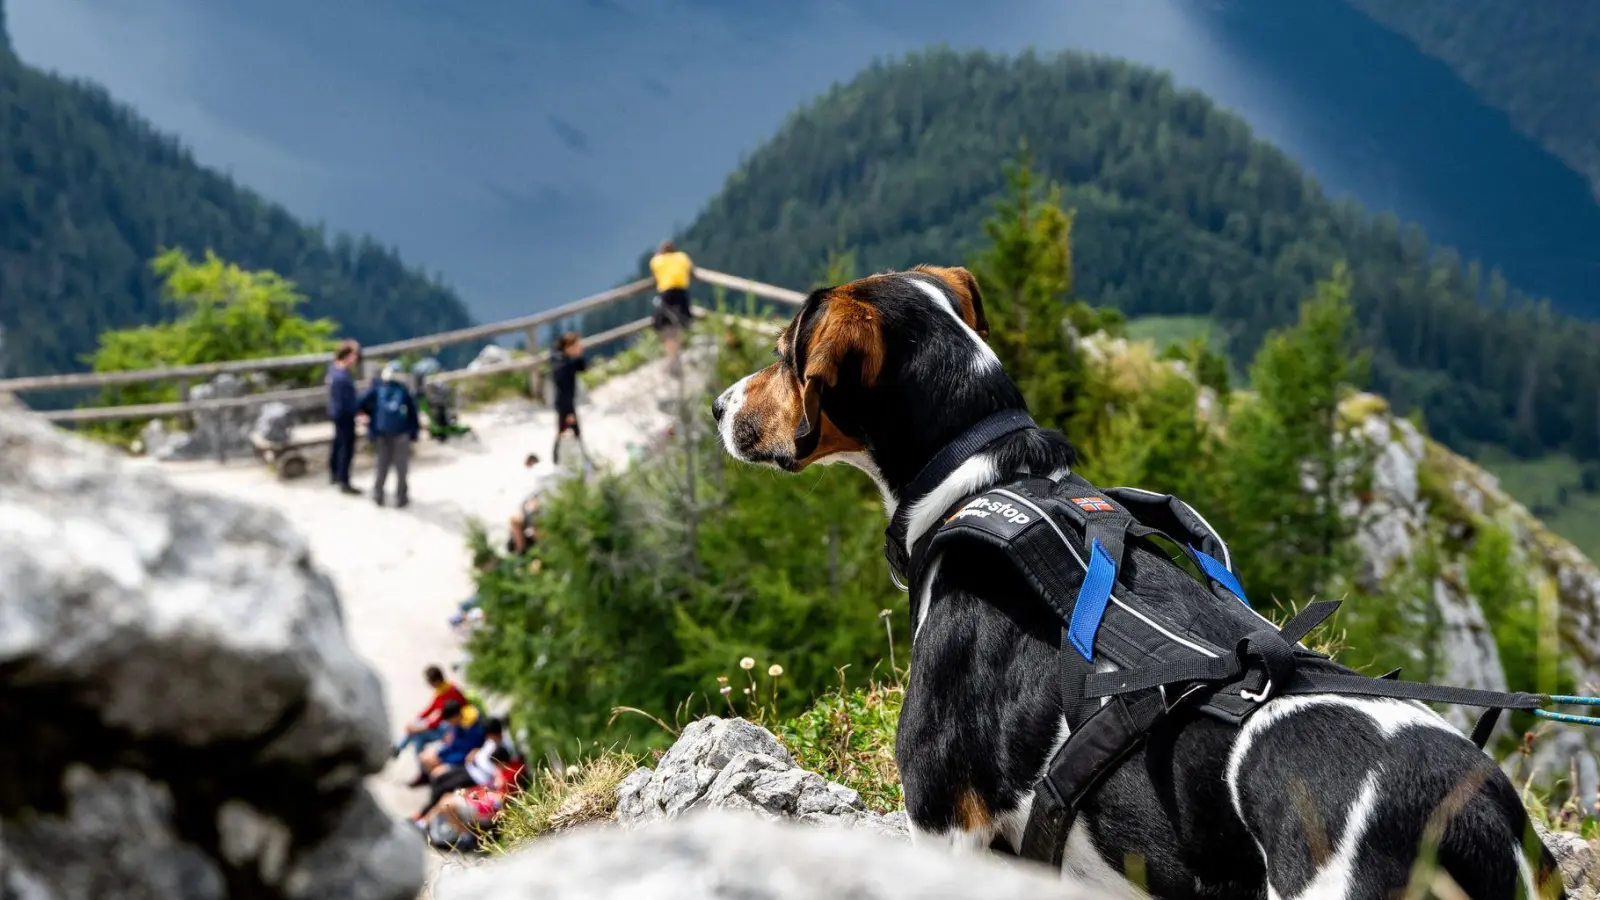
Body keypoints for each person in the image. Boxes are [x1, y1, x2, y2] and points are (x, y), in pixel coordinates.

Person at [415, 716, 511, 819]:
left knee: (444, 788)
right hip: (469, 767)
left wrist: (479, 759)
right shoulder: (491, 741)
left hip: (477, 776)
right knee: (439, 778)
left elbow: (497, 769)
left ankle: (424, 814)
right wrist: (476, 753)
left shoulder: (504, 747)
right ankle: (426, 808)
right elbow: (483, 752)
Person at [357, 359, 421, 508]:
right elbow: (413, 412)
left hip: (381, 432)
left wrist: (369, 417)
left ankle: (378, 494)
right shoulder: (403, 389)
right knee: (401, 466)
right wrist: (414, 432)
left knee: (382, 464)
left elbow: (360, 402)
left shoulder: (377, 388)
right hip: (401, 432)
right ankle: (401, 497)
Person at [392, 665, 468, 760]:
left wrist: (418, 728)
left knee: (417, 735)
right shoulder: (443, 688)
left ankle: (399, 748)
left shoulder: (450, 693)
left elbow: (440, 719)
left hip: (452, 726)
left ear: (436, 681)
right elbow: (432, 708)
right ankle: (402, 751)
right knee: (418, 736)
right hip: (445, 722)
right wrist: (417, 720)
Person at [410, 699, 484, 787]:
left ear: (456, 716)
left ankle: (439, 789)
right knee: (424, 757)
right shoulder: (459, 723)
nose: (449, 723)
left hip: (462, 762)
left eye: (449, 721)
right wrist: (439, 755)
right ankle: (434, 783)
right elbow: (453, 745)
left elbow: (465, 752)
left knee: (436, 773)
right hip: (453, 755)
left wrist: (443, 760)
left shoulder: (472, 729)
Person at [649, 240, 694, 374]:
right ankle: (678, 354)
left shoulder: (658, 260)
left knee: (664, 326)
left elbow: (654, 273)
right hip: (682, 293)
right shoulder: (682, 257)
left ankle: (672, 358)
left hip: (667, 293)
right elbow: (691, 269)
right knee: (681, 323)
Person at [326, 340, 363, 495]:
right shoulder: (342, 377)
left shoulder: (333, 369)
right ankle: (344, 481)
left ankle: (334, 473)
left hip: (335, 413)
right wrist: (359, 413)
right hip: (345, 416)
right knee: (346, 448)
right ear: (348, 356)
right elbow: (347, 402)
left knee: (337, 444)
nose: (356, 359)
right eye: (355, 356)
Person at [548, 332, 588, 465]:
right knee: (568, 432)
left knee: (566, 431)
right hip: (565, 404)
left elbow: (582, 367)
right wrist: (569, 411)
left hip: (565, 402)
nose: (579, 348)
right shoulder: (563, 365)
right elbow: (563, 389)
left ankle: (561, 460)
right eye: (577, 346)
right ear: (568, 348)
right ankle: (560, 461)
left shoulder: (564, 360)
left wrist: (578, 356)